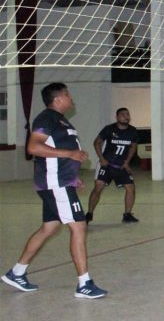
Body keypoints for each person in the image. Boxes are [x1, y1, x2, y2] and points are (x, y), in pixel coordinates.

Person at [1, 83, 107, 299]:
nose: (71, 98)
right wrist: (70, 154)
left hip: (60, 182)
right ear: (58, 99)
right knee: (79, 227)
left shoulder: (61, 120)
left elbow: (56, 154)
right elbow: (34, 147)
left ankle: (17, 272)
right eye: (67, 94)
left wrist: (73, 176)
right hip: (55, 183)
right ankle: (84, 284)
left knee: (49, 228)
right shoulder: (46, 118)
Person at [85, 107, 139, 224]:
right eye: (123, 114)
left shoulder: (133, 131)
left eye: (127, 114)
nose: (126, 116)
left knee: (131, 188)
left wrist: (127, 162)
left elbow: (133, 146)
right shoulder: (109, 129)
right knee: (98, 187)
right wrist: (101, 159)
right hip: (107, 164)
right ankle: (89, 214)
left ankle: (127, 214)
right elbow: (97, 142)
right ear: (117, 117)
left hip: (121, 166)